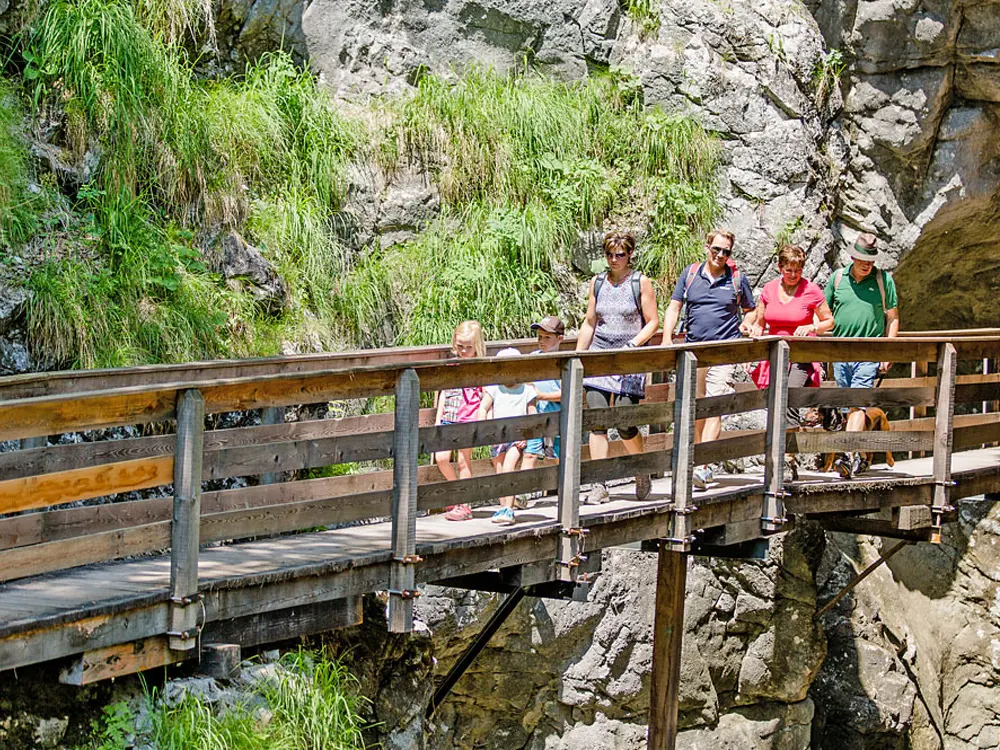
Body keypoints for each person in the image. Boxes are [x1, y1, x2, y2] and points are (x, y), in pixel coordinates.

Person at [661, 229, 756, 490]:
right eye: (717, 249)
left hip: (724, 352)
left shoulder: (737, 279)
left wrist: (747, 325)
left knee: (715, 405)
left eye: (726, 251)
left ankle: (703, 467)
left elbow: (750, 310)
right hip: (694, 351)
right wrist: (667, 337)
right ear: (707, 248)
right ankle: (695, 459)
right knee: (696, 407)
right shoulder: (691, 274)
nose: (721, 255)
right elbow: (675, 305)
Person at [576, 230, 659, 505]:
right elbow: (590, 322)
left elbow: (652, 322)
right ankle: (599, 484)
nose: (614, 260)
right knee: (598, 421)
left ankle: (641, 467)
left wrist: (634, 344)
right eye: (610, 255)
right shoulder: (598, 282)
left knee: (624, 422)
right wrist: (579, 355)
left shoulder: (640, 282)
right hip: (600, 356)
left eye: (620, 255)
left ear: (629, 255)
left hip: (628, 359)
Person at [748, 245, 835, 479]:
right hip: (774, 353)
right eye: (789, 270)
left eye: (798, 270)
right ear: (780, 268)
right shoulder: (768, 290)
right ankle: (782, 456)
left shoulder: (812, 291)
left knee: (788, 396)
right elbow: (760, 321)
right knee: (775, 401)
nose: (794, 275)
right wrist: (753, 331)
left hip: (801, 355)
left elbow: (829, 321)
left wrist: (813, 326)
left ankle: (787, 458)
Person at [823, 231, 900, 477]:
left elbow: (893, 318)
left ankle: (847, 455)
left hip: (869, 352)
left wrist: (888, 350)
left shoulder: (883, 280)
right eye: (863, 260)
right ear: (853, 257)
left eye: (871, 261)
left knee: (857, 403)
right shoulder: (837, 279)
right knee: (848, 407)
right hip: (841, 353)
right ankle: (860, 457)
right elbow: (823, 314)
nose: (867, 265)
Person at [479, 348, 538, 526]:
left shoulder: (527, 391)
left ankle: (510, 509)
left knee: (509, 467)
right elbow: (483, 408)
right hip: (497, 435)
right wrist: (484, 428)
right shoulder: (494, 388)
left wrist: (527, 433)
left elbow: (533, 415)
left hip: (516, 436)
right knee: (499, 470)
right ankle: (502, 506)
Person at [435, 320, 486, 522]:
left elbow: (484, 396)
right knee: (441, 458)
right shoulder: (451, 364)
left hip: (468, 418)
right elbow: (444, 392)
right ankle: (457, 494)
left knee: (464, 461)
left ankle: (464, 505)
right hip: (449, 416)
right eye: (460, 346)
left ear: (477, 346)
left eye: (469, 347)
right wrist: (439, 418)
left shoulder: (479, 367)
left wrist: (482, 421)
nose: (464, 351)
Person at [517, 316, 565, 509]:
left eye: (547, 337)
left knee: (557, 456)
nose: (542, 341)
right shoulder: (532, 359)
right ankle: (521, 494)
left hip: (557, 418)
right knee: (530, 453)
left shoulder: (564, 362)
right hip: (535, 417)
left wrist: (542, 396)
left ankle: (566, 490)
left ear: (560, 338)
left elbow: (567, 392)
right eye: (540, 337)